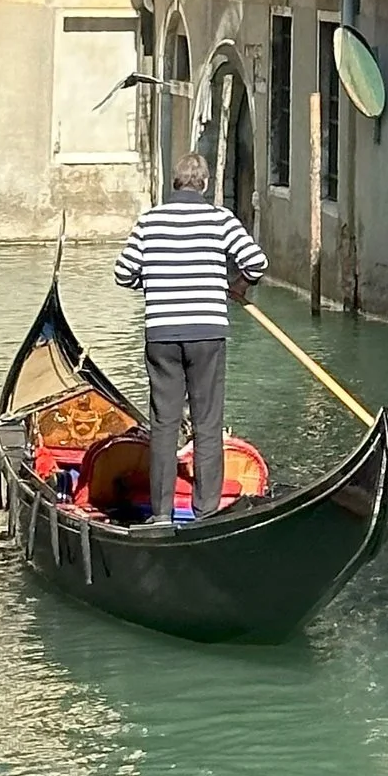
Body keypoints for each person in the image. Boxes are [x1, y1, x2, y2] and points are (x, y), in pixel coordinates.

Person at [113, 149, 266, 521]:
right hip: (207, 333)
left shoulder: (150, 221)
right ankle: (207, 511)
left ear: (174, 183)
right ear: (206, 184)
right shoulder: (220, 219)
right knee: (207, 422)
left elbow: (123, 273)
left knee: (164, 425)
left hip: (162, 334)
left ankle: (162, 513)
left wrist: (150, 282)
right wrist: (238, 286)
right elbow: (257, 263)